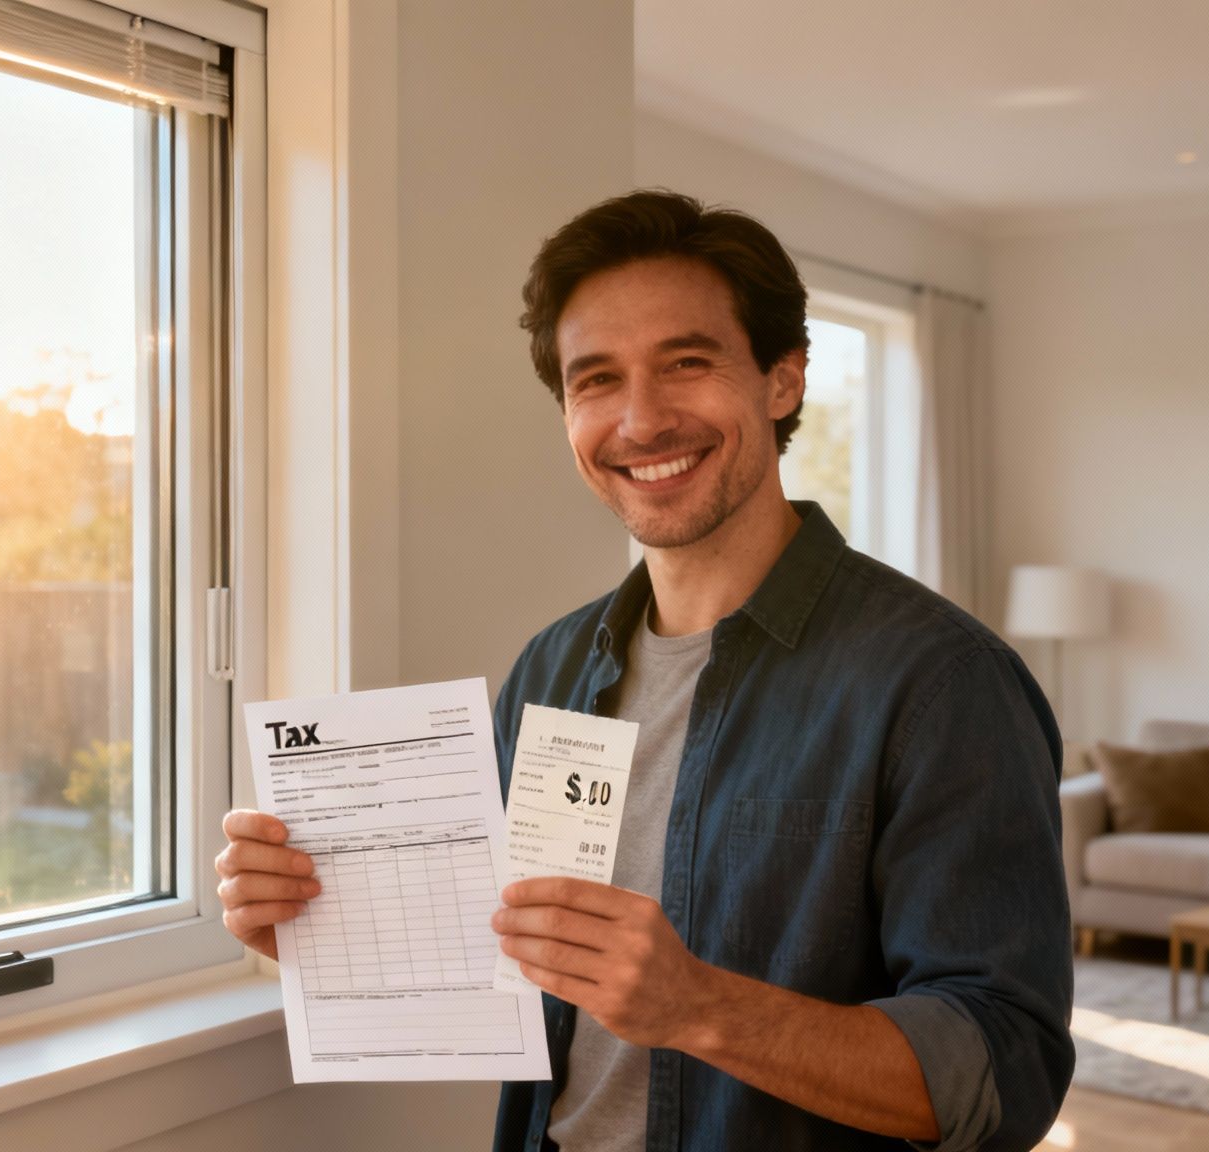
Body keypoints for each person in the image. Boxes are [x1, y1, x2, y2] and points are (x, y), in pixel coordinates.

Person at [214, 189, 1073, 1151]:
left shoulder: (942, 686)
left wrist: (701, 1006)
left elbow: (1007, 1070)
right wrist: (324, 932)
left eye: (688, 364)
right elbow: (505, 960)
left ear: (782, 378)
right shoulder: (552, 666)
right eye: (596, 380)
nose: (642, 420)